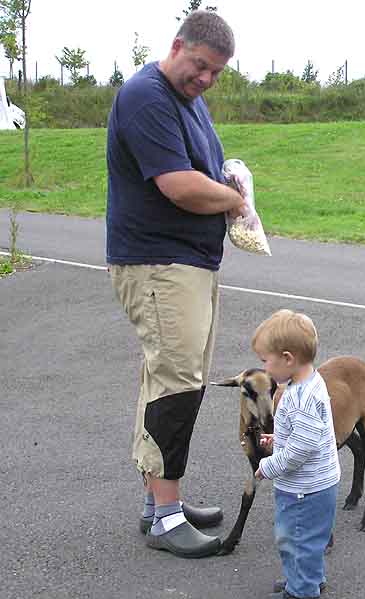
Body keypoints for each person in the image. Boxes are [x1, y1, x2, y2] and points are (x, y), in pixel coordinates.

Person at [106, 11, 246, 558]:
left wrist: (228, 180)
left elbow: (206, 169)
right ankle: (166, 516)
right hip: (158, 264)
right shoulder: (147, 96)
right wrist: (237, 200)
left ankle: (155, 505)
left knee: (168, 377)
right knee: (177, 382)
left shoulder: (188, 101)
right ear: (176, 46)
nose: (206, 79)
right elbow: (180, 185)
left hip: (186, 264)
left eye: (216, 73)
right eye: (200, 66)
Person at [251, 310, 340, 599]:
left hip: (305, 489)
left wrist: (269, 465)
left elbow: (301, 450)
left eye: (266, 360)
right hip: (316, 483)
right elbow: (307, 434)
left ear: (288, 358)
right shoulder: (311, 382)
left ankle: (302, 592)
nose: (265, 368)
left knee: (297, 539)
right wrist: (280, 438)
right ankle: (307, 580)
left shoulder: (300, 397)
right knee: (306, 539)